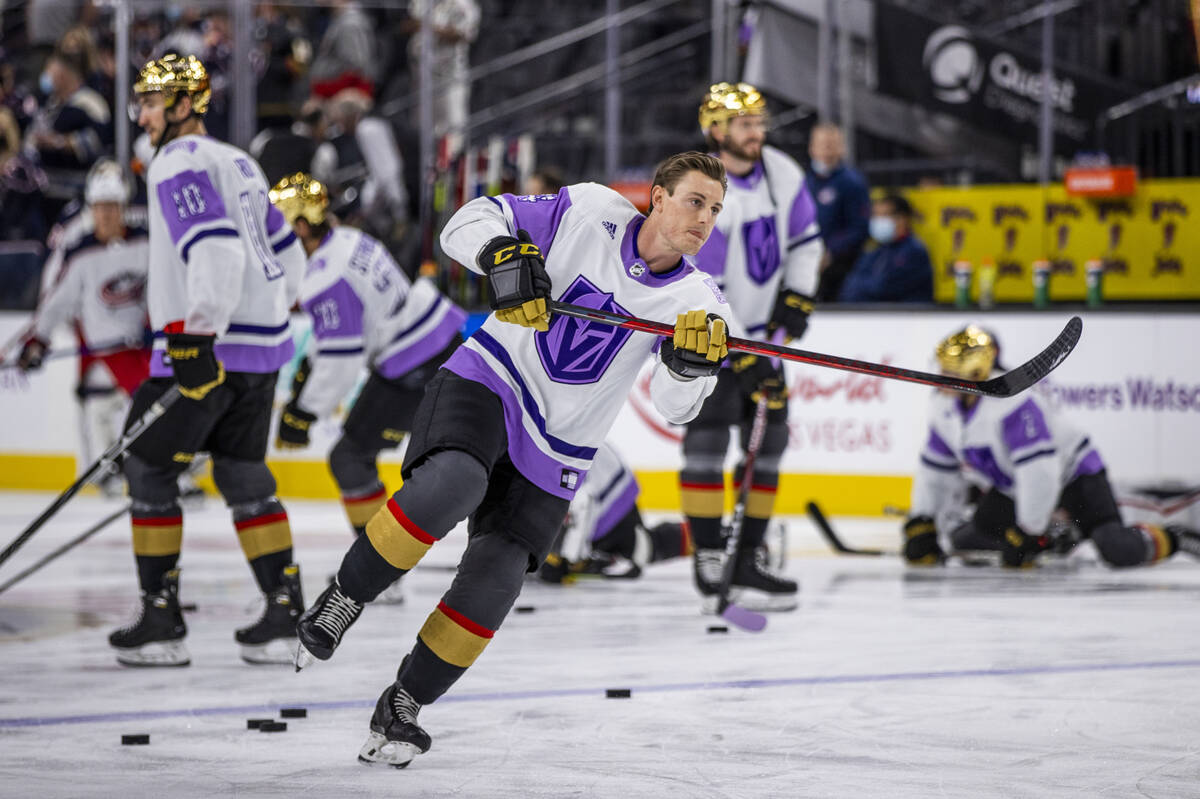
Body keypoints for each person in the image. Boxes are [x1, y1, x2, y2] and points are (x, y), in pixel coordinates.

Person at [293, 151, 735, 768]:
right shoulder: (587, 209)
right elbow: (465, 223)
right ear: (657, 197)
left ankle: (404, 704)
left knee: (496, 580)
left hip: (558, 447)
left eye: (715, 209)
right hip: (492, 383)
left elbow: (675, 406)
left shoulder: (701, 303)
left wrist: (689, 367)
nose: (704, 219)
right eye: (694, 201)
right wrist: (501, 255)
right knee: (453, 483)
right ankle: (345, 596)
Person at [108, 54, 308, 668]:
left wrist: (198, 333)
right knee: (243, 471)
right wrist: (265, 317)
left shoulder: (178, 160)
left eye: (149, 101)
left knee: (145, 466)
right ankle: (285, 616)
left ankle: (161, 621)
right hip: (261, 350)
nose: (140, 113)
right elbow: (289, 254)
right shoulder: (240, 161)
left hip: (206, 349)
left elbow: (215, 246)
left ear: (182, 105)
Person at [269, 172, 464, 580]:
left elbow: (343, 357)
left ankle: (378, 569)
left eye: (280, 228)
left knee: (349, 458)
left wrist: (304, 412)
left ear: (302, 226)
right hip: (437, 340)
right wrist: (312, 365)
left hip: (412, 361)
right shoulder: (350, 239)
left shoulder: (322, 276)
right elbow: (360, 320)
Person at [687, 81, 821, 613]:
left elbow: (806, 244)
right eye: (746, 125)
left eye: (760, 124)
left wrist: (799, 297)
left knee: (769, 446)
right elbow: (703, 279)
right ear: (716, 131)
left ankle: (747, 558)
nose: (757, 134)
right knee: (707, 443)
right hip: (706, 333)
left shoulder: (783, 173)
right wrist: (741, 350)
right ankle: (709, 555)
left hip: (764, 338)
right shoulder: (705, 185)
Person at [904, 325, 1194, 569]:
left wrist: (1029, 530)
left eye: (949, 370)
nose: (940, 375)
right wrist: (922, 519)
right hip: (1017, 490)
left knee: (1116, 549)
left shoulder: (1015, 406)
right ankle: (1059, 537)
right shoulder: (943, 409)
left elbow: (1039, 473)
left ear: (976, 372)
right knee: (968, 538)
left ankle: (1178, 537)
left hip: (1074, 481)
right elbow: (936, 470)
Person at [18, 159, 149, 494]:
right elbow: (56, 301)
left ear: (123, 208)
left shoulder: (146, 243)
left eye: (112, 207)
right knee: (103, 401)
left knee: (154, 402)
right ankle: (108, 468)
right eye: (100, 207)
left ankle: (162, 470)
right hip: (103, 346)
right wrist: (39, 340)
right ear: (92, 209)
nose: (106, 214)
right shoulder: (80, 254)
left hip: (143, 343)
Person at [538, 441, 691, 583]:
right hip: (607, 487)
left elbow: (583, 500)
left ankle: (706, 536)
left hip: (609, 502)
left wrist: (567, 557)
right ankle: (705, 534)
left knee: (643, 547)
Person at [807, 122, 871, 302]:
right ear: (812, 148)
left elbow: (860, 228)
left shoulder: (852, 183)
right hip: (809, 260)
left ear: (842, 148)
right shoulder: (804, 182)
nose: (827, 150)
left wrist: (831, 251)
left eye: (832, 144)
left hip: (842, 265)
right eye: (823, 144)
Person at [837, 194, 933, 303]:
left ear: (902, 219)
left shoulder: (914, 252)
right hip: (873, 315)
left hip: (907, 317)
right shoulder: (876, 250)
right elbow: (850, 283)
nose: (877, 220)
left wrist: (862, 288)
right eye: (875, 215)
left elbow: (883, 288)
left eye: (883, 215)